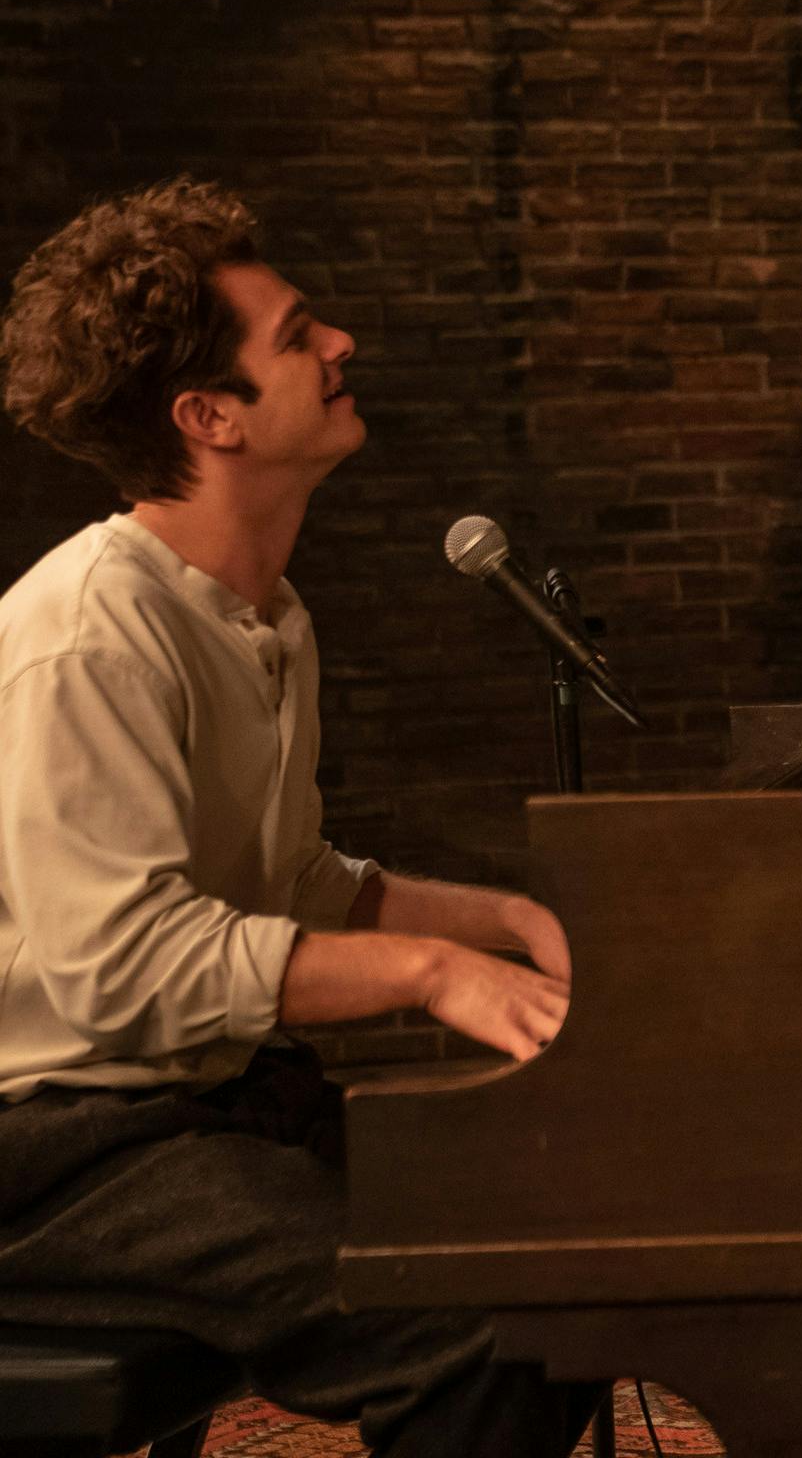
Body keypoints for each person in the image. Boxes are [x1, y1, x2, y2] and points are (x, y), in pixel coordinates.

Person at [0, 179, 601, 1454]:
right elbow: (125, 965)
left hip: (192, 1108)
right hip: (52, 1144)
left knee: (575, 1254)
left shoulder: (265, 613)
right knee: (474, 1325)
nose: (338, 346)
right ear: (208, 414)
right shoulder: (86, 632)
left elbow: (283, 877)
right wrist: (429, 972)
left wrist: (511, 917)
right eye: (297, 335)